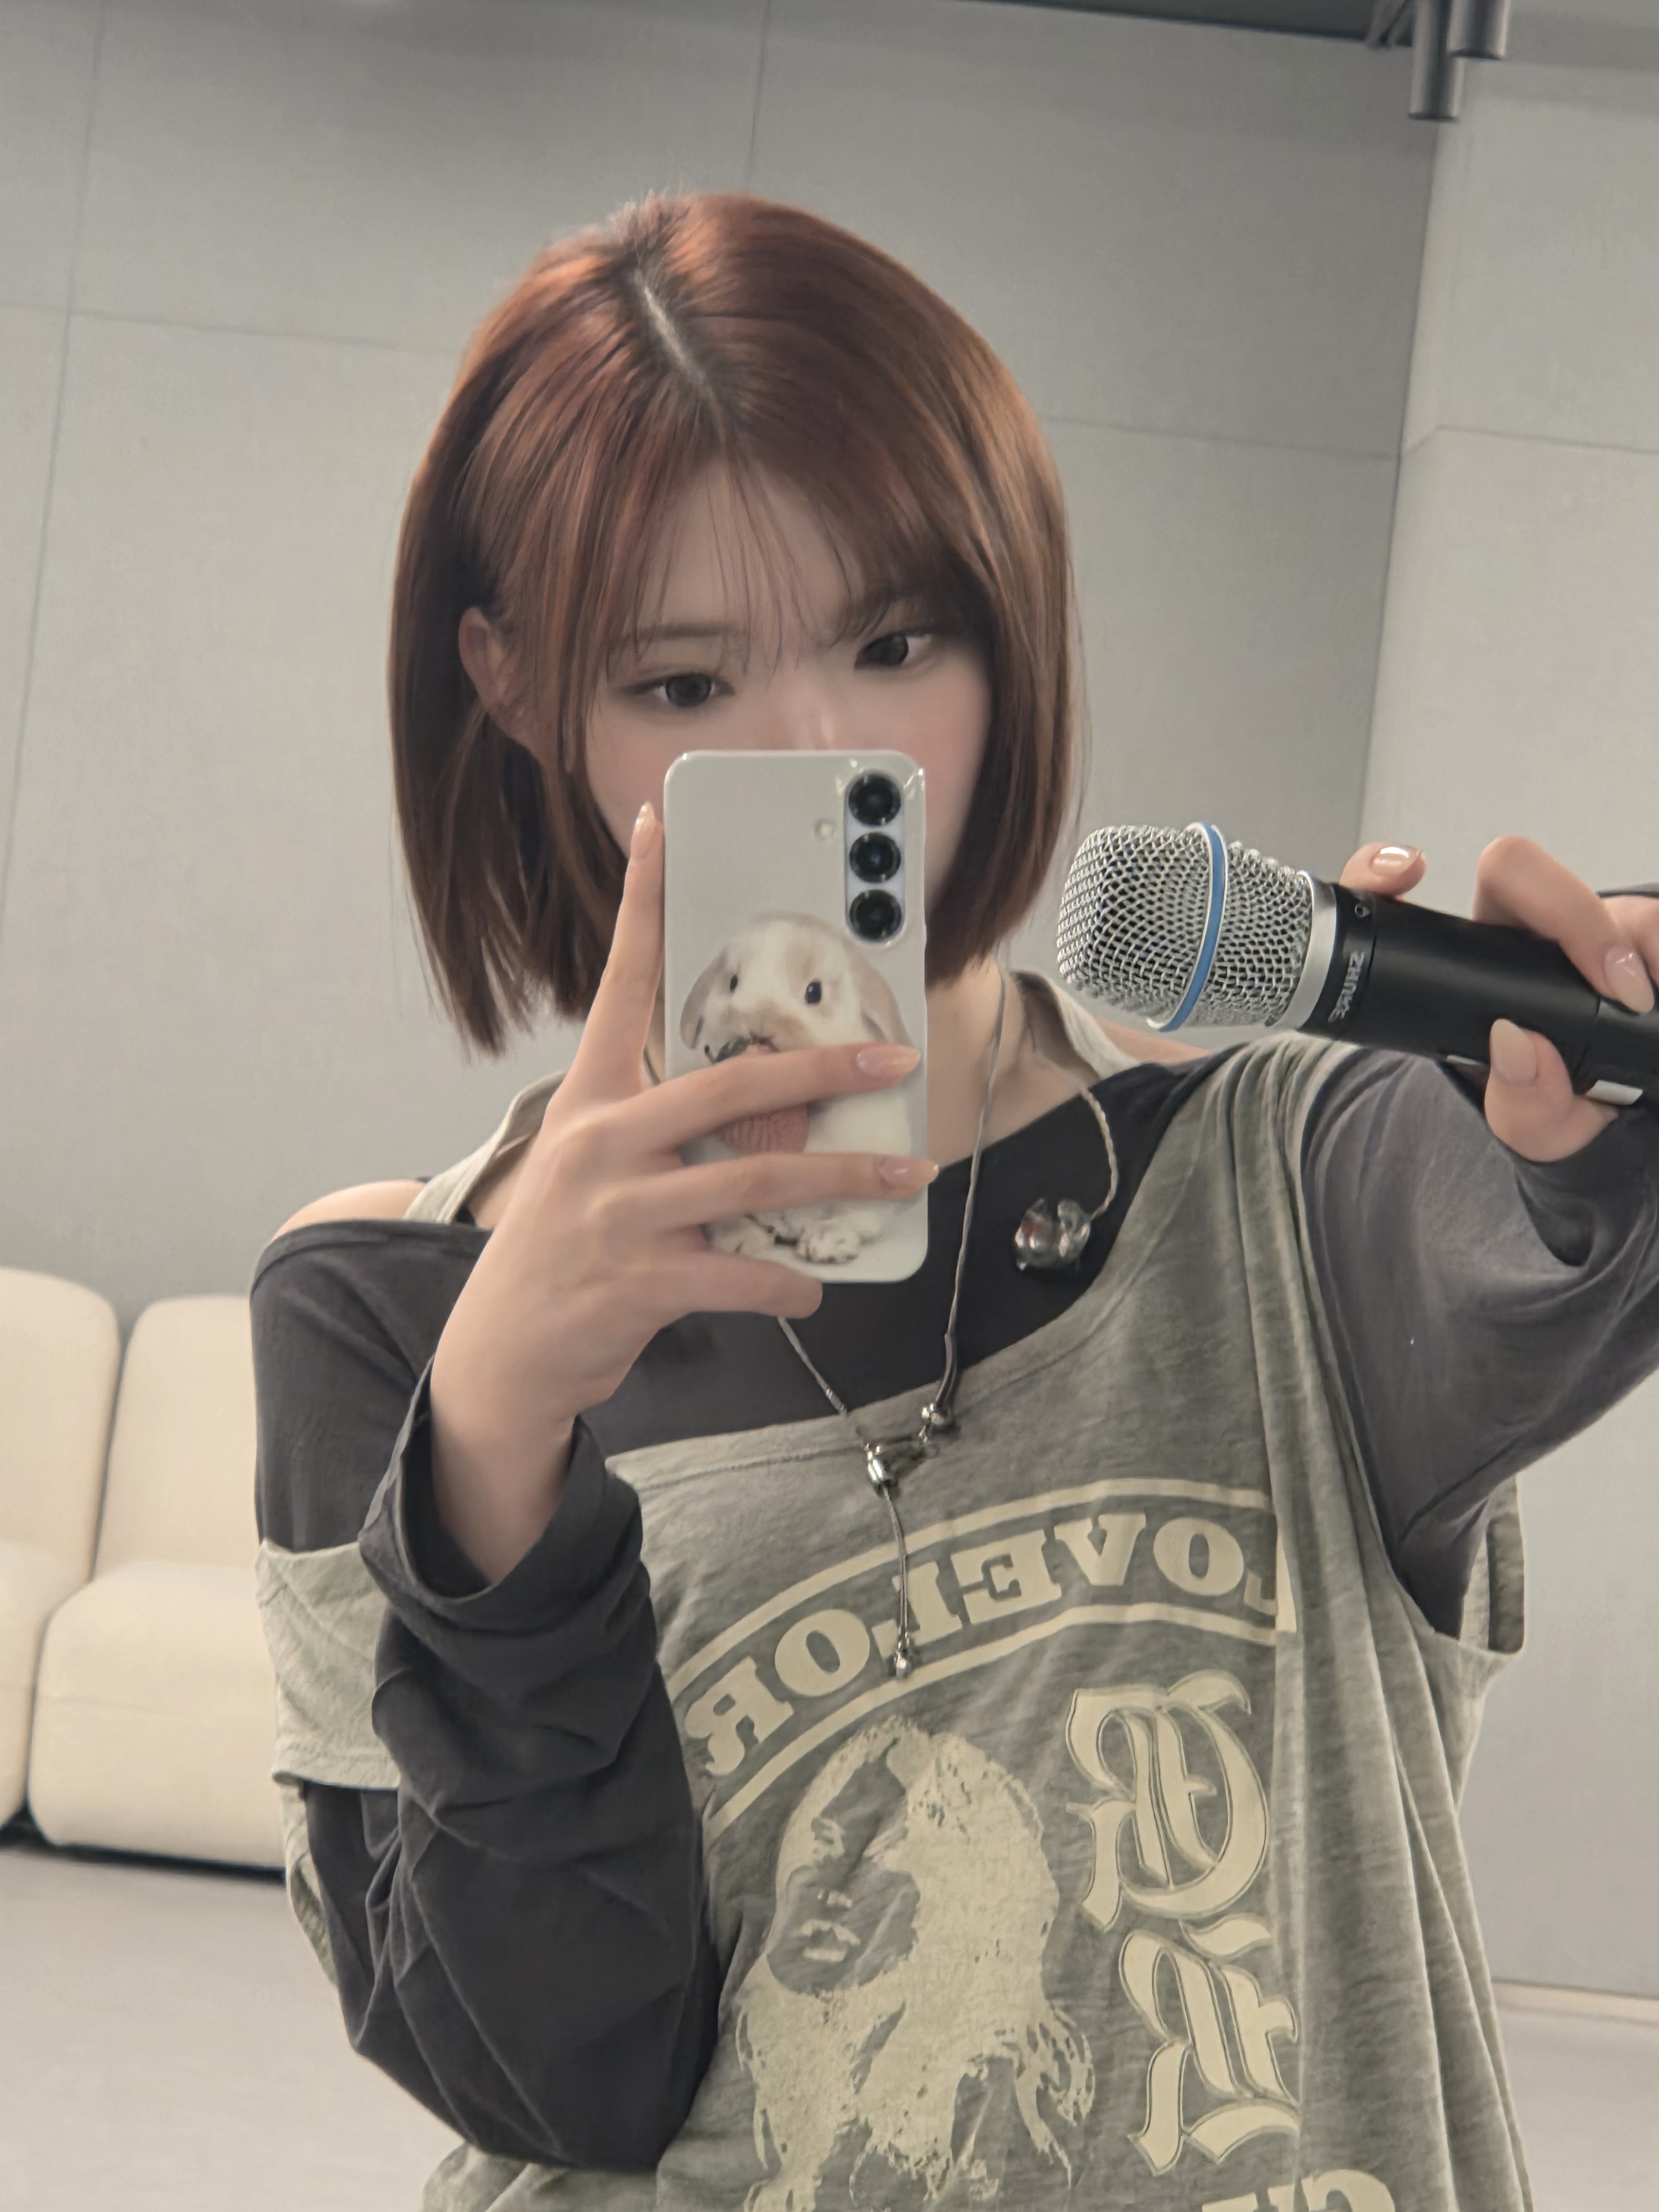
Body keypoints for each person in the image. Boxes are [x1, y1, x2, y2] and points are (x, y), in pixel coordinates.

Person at [251, 194, 1659, 2212]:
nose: (825, 753)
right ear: (520, 683)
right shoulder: (387, 1306)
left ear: (1015, 631)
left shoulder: (1283, 1188)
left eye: (897, 646)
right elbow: (557, 2082)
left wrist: (1591, 1086)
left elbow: (1551, 1233)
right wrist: (491, 1445)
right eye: (681, 682)